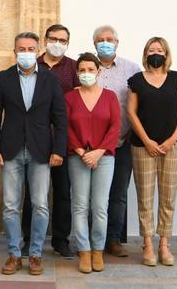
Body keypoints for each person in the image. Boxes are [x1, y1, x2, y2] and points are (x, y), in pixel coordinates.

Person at [0, 32, 68, 277]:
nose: (25, 52)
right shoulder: (4, 78)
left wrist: (58, 150)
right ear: (14, 52)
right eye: (21, 49)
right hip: (10, 149)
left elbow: (60, 118)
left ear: (38, 50)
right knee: (10, 205)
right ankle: (14, 253)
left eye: (30, 48)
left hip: (41, 150)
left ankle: (35, 254)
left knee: (41, 205)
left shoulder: (50, 79)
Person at [127, 37, 177, 267]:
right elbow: (131, 113)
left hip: (172, 146)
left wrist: (172, 139)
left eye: (159, 50)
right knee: (145, 197)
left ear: (166, 53)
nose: (155, 53)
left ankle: (164, 243)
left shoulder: (176, 78)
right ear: (145, 53)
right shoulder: (136, 80)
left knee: (168, 197)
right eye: (151, 50)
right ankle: (148, 244)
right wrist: (147, 141)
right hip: (143, 147)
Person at [22, 23, 79, 259]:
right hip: (35, 139)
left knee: (63, 191)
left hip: (63, 139)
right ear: (45, 39)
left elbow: (80, 100)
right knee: (32, 194)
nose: (57, 43)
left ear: (67, 43)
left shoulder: (74, 67)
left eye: (63, 40)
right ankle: (29, 239)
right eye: (53, 38)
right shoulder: (32, 63)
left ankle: (60, 239)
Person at [63, 53, 120, 274]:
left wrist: (98, 152)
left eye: (90, 69)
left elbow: (115, 126)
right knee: (79, 206)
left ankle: (98, 249)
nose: (86, 73)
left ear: (99, 71)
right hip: (77, 157)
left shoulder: (110, 97)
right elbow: (65, 127)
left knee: (99, 207)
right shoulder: (69, 98)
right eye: (82, 70)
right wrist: (80, 151)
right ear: (77, 73)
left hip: (104, 158)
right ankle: (84, 251)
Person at [91, 25, 141, 258]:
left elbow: (139, 103)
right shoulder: (87, 68)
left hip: (123, 141)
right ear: (94, 44)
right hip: (92, 145)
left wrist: (134, 130)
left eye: (110, 39)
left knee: (118, 192)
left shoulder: (132, 69)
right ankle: (94, 240)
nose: (106, 43)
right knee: (94, 194)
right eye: (101, 39)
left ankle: (113, 239)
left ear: (117, 43)